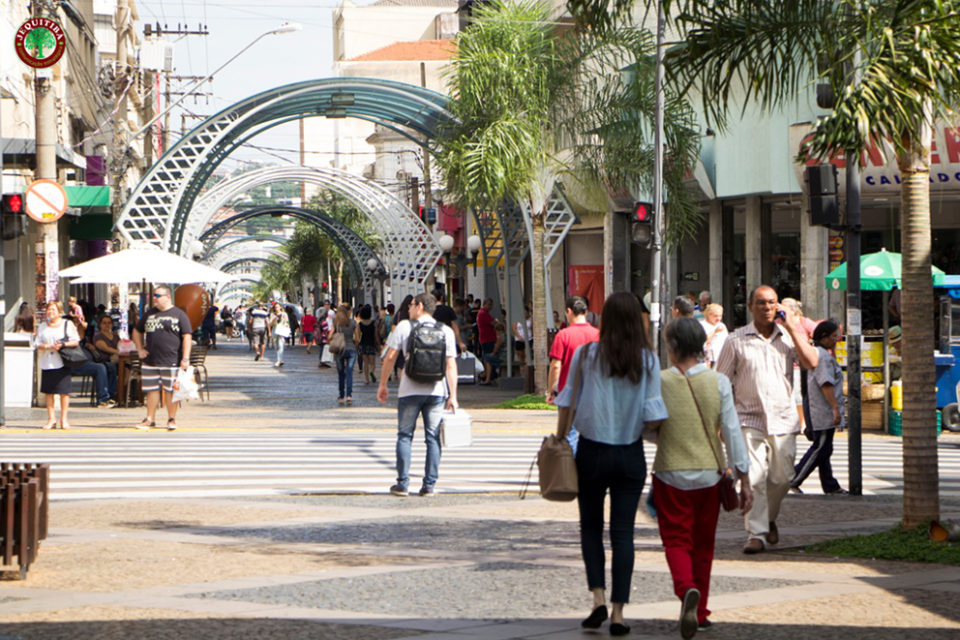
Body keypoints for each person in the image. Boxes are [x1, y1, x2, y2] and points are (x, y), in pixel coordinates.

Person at [555, 292, 668, 636]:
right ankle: (618, 614)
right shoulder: (647, 360)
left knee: (590, 528)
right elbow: (653, 414)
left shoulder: (588, 354)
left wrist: (560, 438)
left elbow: (567, 400)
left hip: (591, 450)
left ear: (604, 319)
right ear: (637, 321)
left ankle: (598, 600)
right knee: (623, 534)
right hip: (629, 453)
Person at [653, 318, 752, 637]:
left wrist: (667, 435)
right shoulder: (719, 382)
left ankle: (685, 590)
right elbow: (732, 430)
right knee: (704, 545)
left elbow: (646, 425)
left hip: (670, 472)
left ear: (673, 347)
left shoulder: (660, 381)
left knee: (676, 540)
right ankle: (703, 610)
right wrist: (744, 477)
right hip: (711, 473)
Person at [715, 285, 818, 554]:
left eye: (772, 303)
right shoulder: (735, 340)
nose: (767, 307)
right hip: (747, 418)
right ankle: (757, 533)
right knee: (755, 477)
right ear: (750, 307)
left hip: (783, 418)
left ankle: (768, 518)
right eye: (761, 303)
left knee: (783, 477)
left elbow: (811, 362)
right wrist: (720, 422)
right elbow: (721, 383)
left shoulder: (787, 337)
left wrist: (795, 328)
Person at [377, 292, 458, 497]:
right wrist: (453, 395)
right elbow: (450, 365)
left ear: (419, 306)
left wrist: (383, 384)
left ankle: (403, 484)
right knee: (432, 438)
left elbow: (390, 357)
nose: (409, 308)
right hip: (436, 391)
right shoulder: (446, 331)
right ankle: (429, 485)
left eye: (412, 305)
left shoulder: (405, 326)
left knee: (405, 436)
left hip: (409, 390)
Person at [791, 319, 849, 496]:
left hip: (820, 408)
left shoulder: (820, 353)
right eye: (833, 336)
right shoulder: (821, 356)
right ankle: (793, 478)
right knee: (821, 447)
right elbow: (826, 384)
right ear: (823, 337)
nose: (836, 340)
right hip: (823, 409)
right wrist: (835, 408)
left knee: (824, 448)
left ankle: (830, 485)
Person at [133, 285, 193, 431]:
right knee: (151, 390)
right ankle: (149, 418)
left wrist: (185, 358)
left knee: (170, 390)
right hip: (151, 360)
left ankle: (171, 419)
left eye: (157, 296)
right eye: (154, 295)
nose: (154, 298)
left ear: (167, 297)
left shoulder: (179, 314)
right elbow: (137, 330)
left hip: (171, 359)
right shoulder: (149, 314)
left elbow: (187, 336)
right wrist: (140, 349)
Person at [547, 296, 600, 453]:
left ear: (569, 311)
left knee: (569, 436)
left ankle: (573, 471)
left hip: (567, 393)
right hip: (593, 393)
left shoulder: (563, 335)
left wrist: (551, 391)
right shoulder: (597, 334)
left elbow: (555, 366)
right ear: (586, 312)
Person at [36, 301, 79, 429]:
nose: (51, 312)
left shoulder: (67, 324)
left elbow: (76, 341)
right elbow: (37, 343)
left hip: (62, 361)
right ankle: (51, 419)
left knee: (63, 392)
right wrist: (48, 346)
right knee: (48, 392)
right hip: (47, 362)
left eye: (53, 310)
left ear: (59, 312)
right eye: (49, 310)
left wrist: (63, 345)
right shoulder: (43, 326)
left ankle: (64, 419)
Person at [330, 303, 357, 405]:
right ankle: (349, 395)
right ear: (349, 312)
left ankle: (341, 395)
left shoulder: (336, 323)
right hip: (351, 350)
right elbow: (357, 338)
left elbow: (329, 335)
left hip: (339, 350)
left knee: (341, 373)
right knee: (349, 372)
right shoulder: (353, 323)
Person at [93, 315, 121, 404]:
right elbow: (104, 347)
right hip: (104, 361)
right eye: (104, 323)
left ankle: (122, 395)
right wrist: (118, 352)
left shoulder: (116, 336)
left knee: (127, 368)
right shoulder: (98, 336)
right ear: (100, 325)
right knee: (111, 367)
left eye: (109, 323)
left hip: (118, 361)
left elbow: (122, 346)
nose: (107, 325)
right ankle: (112, 395)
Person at [356, 304, 380, 384]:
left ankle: (367, 379)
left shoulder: (360, 324)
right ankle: (372, 372)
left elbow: (358, 337)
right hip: (371, 343)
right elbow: (376, 336)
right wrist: (378, 345)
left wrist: (357, 345)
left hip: (363, 344)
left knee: (365, 363)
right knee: (372, 362)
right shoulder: (374, 323)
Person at [699, 303, 729, 367]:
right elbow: (702, 341)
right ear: (709, 315)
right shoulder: (701, 325)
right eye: (715, 316)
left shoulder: (721, 325)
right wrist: (715, 332)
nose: (718, 318)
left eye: (720, 316)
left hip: (720, 359)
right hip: (706, 360)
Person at [476, 298, 497, 380]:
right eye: (488, 304)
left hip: (486, 338)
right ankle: (488, 375)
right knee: (488, 358)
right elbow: (494, 323)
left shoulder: (483, 313)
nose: (490, 307)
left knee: (486, 357)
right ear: (484, 304)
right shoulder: (483, 313)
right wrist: (495, 321)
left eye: (491, 305)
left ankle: (487, 375)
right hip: (487, 339)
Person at [269, 302, 291, 367]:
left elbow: (287, 322)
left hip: (281, 330)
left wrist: (285, 323)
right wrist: (274, 320)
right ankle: (280, 359)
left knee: (281, 344)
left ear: (280, 307)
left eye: (278, 307)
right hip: (275, 330)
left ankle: (279, 360)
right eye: (275, 307)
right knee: (276, 346)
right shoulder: (272, 314)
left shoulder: (284, 314)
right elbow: (270, 324)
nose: (277, 308)